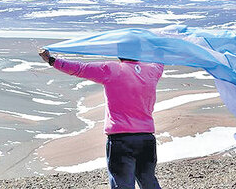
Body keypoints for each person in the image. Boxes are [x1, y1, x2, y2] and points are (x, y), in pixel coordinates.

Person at [39, 48, 164, 189]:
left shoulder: (112, 69)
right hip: (146, 140)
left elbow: (80, 68)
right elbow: (160, 62)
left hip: (121, 140)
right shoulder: (152, 71)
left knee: (122, 185)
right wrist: (160, 48)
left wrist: (52, 60)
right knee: (149, 183)